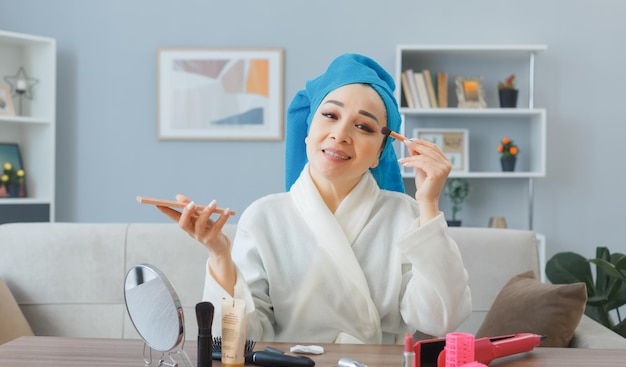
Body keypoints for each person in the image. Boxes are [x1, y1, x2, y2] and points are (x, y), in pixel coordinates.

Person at [157, 53, 471, 344]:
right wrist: (220, 256)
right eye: (330, 115)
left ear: (380, 152)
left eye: (363, 125)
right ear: (308, 130)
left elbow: (440, 320)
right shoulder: (263, 217)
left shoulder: (406, 215)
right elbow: (237, 340)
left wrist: (428, 204)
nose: (340, 133)